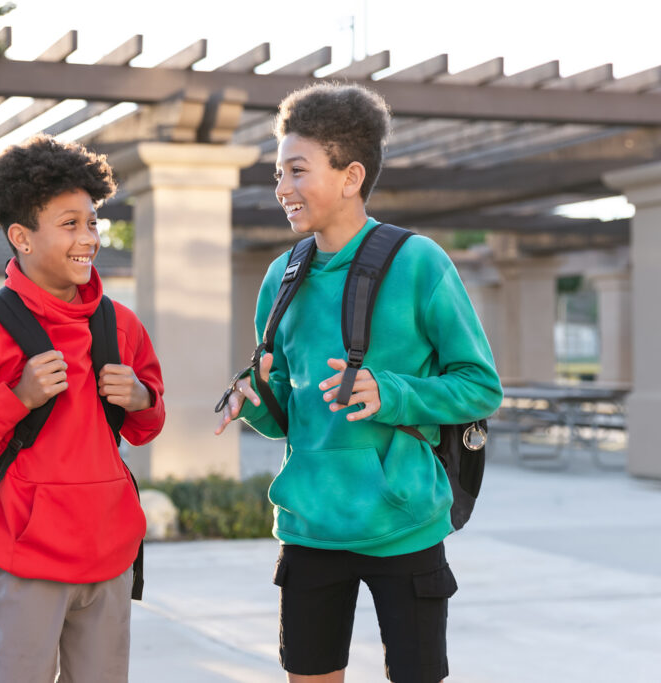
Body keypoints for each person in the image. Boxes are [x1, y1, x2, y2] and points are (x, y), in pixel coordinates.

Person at [215, 83, 503, 683]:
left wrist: (389, 392)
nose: (282, 188)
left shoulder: (420, 262)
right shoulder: (281, 276)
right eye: (278, 173)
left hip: (404, 524)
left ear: (351, 176)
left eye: (297, 171)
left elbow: (480, 387)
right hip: (309, 526)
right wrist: (255, 400)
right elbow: (290, 413)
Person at [0, 135, 165, 683]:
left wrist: (141, 399)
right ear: (21, 237)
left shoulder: (121, 325)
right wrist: (15, 399)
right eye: (69, 224)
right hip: (25, 561)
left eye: (92, 222)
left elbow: (146, 427)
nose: (89, 238)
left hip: (111, 557)